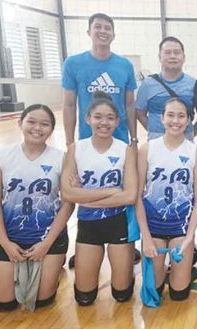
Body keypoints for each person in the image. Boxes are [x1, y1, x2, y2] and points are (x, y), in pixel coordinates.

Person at [0, 104, 73, 311]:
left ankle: (52, 268)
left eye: (45, 124)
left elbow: (68, 203)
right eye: (31, 122)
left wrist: (46, 244)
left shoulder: (61, 158)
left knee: (42, 301)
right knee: (3, 304)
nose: (37, 128)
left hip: (49, 238)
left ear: (52, 129)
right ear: (20, 123)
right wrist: (5, 243)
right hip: (11, 236)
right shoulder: (0, 156)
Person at [61, 92, 137, 306]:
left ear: (117, 121)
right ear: (87, 119)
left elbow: (130, 196)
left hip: (119, 225)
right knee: (84, 298)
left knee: (121, 295)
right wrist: (112, 191)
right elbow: (67, 193)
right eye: (98, 117)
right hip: (89, 225)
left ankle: (126, 273)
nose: (104, 122)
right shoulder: (76, 149)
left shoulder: (126, 150)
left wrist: (84, 197)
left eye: (110, 118)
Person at [135, 98, 196, 301]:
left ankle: (185, 261)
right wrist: (145, 238)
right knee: (154, 290)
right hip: (153, 229)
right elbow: (137, 196)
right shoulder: (147, 149)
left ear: (188, 120)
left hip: (181, 229)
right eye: (170, 115)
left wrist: (189, 238)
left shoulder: (195, 152)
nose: (175, 120)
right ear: (161, 118)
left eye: (181, 116)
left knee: (179, 294)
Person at [62, 12, 138, 146]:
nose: (103, 31)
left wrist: (133, 138)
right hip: (87, 138)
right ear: (88, 32)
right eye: (98, 27)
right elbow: (69, 105)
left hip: (119, 139)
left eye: (107, 28)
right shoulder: (73, 63)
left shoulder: (125, 65)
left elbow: (130, 105)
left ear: (113, 35)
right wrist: (69, 142)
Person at [136, 36, 197, 141]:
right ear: (159, 57)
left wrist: (190, 134)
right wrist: (155, 132)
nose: (172, 56)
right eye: (167, 52)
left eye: (177, 52)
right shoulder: (148, 84)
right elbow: (139, 113)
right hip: (156, 145)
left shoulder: (193, 84)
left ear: (184, 57)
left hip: (185, 144)